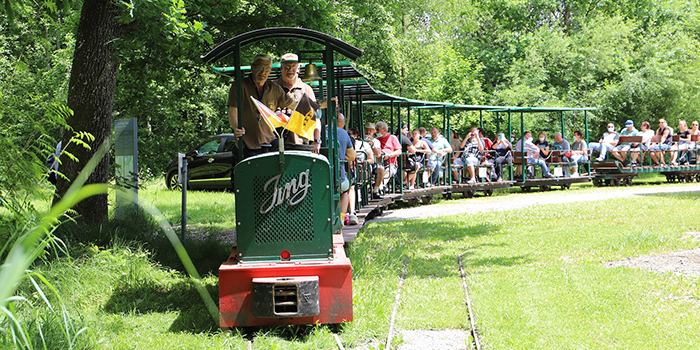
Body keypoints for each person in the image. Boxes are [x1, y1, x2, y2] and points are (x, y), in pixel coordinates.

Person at [227, 54, 295, 159]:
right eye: (260, 68)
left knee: (283, 165)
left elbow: (294, 105)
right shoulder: (240, 86)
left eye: (267, 69)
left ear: (270, 71)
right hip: (247, 145)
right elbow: (233, 112)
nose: (263, 72)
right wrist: (236, 127)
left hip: (270, 143)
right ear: (252, 68)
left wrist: (318, 105)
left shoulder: (274, 88)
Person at [273, 53, 328, 152]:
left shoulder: (306, 89)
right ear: (281, 68)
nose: (290, 70)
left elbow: (316, 118)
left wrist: (317, 140)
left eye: (293, 66)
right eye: (287, 67)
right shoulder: (272, 87)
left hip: (300, 144)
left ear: (298, 68)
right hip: (275, 143)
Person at [331, 113, 356, 226]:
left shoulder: (319, 130)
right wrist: (340, 156)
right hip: (338, 176)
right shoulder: (343, 133)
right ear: (343, 124)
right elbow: (352, 156)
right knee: (346, 190)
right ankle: (341, 218)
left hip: (321, 175)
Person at [364, 122, 385, 199]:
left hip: (373, 163)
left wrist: (372, 146)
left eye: (370, 130)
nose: (368, 132)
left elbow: (379, 155)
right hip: (362, 162)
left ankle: (375, 191)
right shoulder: (360, 140)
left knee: (381, 169)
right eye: (366, 130)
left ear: (373, 132)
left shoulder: (376, 142)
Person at [376, 121, 401, 186]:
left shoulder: (392, 138)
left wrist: (390, 155)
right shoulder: (376, 140)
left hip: (391, 163)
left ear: (384, 130)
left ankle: (381, 185)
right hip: (379, 163)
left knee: (388, 171)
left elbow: (399, 151)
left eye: (378, 129)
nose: (376, 131)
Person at [398, 125, 418, 189]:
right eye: (406, 130)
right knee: (416, 166)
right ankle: (404, 183)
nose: (407, 132)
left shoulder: (394, 137)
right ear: (401, 130)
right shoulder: (403, 138)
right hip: (403, 162)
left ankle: (405, 183)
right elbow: (413, 150)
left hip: (394, 161)